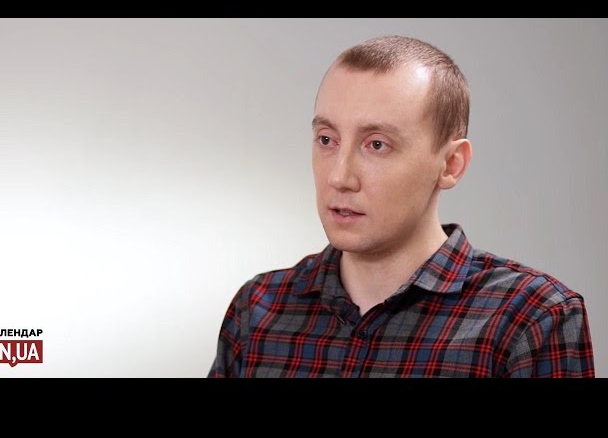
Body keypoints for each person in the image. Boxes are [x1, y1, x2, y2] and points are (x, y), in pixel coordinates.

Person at [208, 35, 595, 378]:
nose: (340, 177)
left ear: (451, 164)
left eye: (377, 145)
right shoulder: (257, 308)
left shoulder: (531, 318)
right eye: (327, 139)